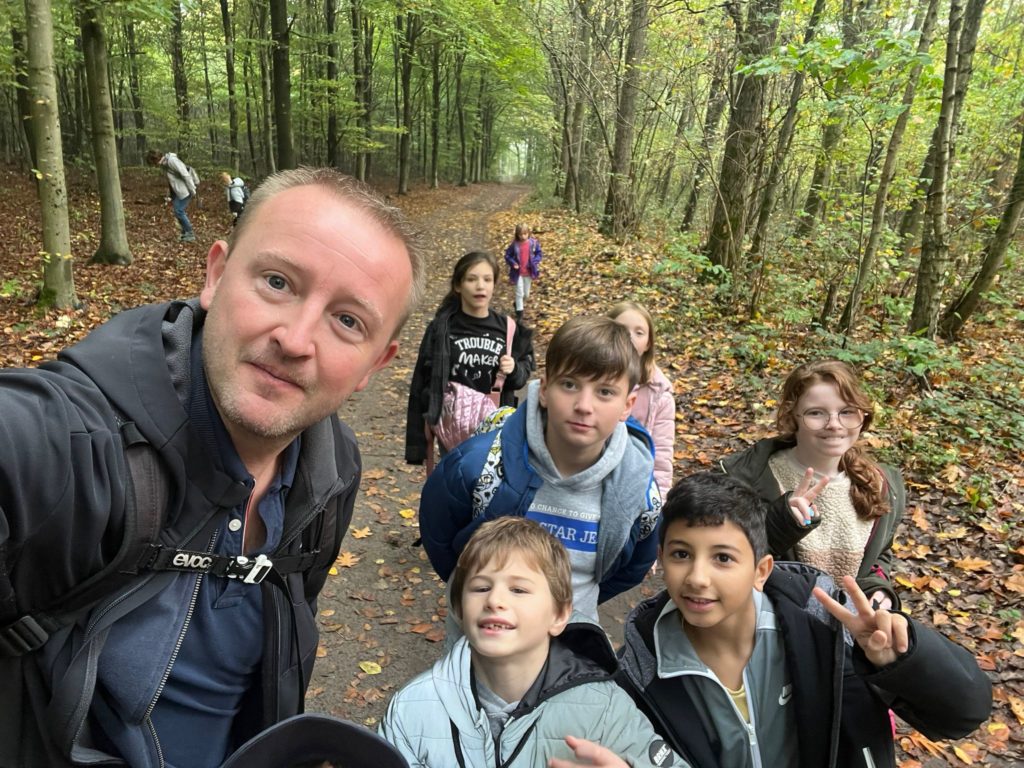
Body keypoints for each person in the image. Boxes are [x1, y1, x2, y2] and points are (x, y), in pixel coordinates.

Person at [0, 168, 425, 768]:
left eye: (348, 321)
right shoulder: (68, 442)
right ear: (217, 274)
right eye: (277, 282)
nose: (296, 339)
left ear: (375, 365)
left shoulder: (330, 474)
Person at [617, 472, 992, 768]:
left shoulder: (824, 628)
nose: (698, 578)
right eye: (681, 554)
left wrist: (902, 662)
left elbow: (962, 715)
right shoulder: (641, 666)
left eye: (723, 558)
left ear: (761, 571)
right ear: (661, 559)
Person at [379, 517, 678, 768]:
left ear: (559, 615)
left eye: (518, 590)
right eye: (480, 588)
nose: (495, 600)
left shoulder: (604, 710)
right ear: (458, 609)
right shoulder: (413, 707)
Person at [419, 315, 661, 622]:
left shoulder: (639, 492)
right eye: (570, 385)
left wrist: (575, 606)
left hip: (572, 639)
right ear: (544, 389)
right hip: (482, 633)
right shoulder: (477, 467)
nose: (584, 406)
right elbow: (441, 538)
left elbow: (632, 565)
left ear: (628, 404)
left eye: (605, 392)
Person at [718, 359, 905, 610]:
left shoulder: (882, 484)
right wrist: (780, 524)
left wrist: (879, 589)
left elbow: (879, 556)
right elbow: (720, 557)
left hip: (846, 628)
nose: (834, 424)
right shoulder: (748, 479)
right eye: (816, 413)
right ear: (792, 417)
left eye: (847, 412)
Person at [405, 251, 534, 467]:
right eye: (471, 279)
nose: (480, 286)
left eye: (487, 279)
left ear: (494, 285)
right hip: (452, 426)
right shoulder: (442, 329)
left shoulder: (509, 329)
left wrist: (514, 369)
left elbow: (522, 375)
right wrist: (417, 446)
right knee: (457, 479)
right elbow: (421, 383)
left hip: (493, 427)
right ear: (458, 285)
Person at [609, 300, 676, 495]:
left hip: (632, 486)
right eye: (621, 329)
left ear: (648, 343)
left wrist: (660, 500)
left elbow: (661, 458)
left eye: (639, 332)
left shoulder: (660, 395)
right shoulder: (586, 374)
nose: (629, 337)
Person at [148, 148, 198, 242]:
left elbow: (185, 174)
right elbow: (172, 179)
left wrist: (193, 190)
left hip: (186, 189)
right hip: (178, 190)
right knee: (177, 211)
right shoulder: (164, 164)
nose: (154, 166)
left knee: (179, 210)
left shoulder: (171, 161)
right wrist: (170, 194)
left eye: (153, 163)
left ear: (155, 159)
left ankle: (190, 233)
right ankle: (185, 233)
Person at [502, 223, 542, 323]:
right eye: (520, 234)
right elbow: (507, 255)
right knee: (519, 293)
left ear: (528, 233)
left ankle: (517, 304)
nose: (523, 236)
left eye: (525, 234)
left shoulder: (533, 243)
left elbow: (539, 253)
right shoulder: (515, 245)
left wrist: (535, 262)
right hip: (517, 273)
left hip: (528, 272)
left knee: (526, 294)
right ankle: (519, 315)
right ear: (517, 234)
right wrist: (513, 263)